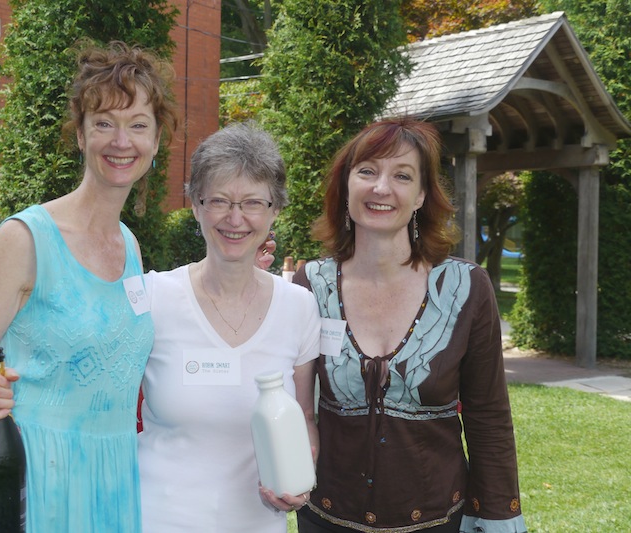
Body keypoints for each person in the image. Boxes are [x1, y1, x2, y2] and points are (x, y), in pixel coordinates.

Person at [0, 41, 180, 532]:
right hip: (28, 489)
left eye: (138, 124)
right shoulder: (25, 240)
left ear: (156, 140)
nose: (121, 140)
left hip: (110, 488)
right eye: (104, 123)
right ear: (81, 135)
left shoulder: (129, 245)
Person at [293, 118, 527, 532]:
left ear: (421, 195)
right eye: (367, 171)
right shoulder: (311, 285)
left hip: (437, 519)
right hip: (326, 516)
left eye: (402, 175)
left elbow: (488, 414)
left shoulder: (466, 287)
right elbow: (290, 402)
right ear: (346, 186)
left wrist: (498, 511)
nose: (382, 188)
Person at [137, 122, 321, 533]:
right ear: (196, 206)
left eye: (253, 203)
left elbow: (305, 417)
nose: (235, 218)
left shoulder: (299, 307)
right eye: (219, 200)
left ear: (275, 210)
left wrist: (299, 477)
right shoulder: (153, 297)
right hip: (157, 520)